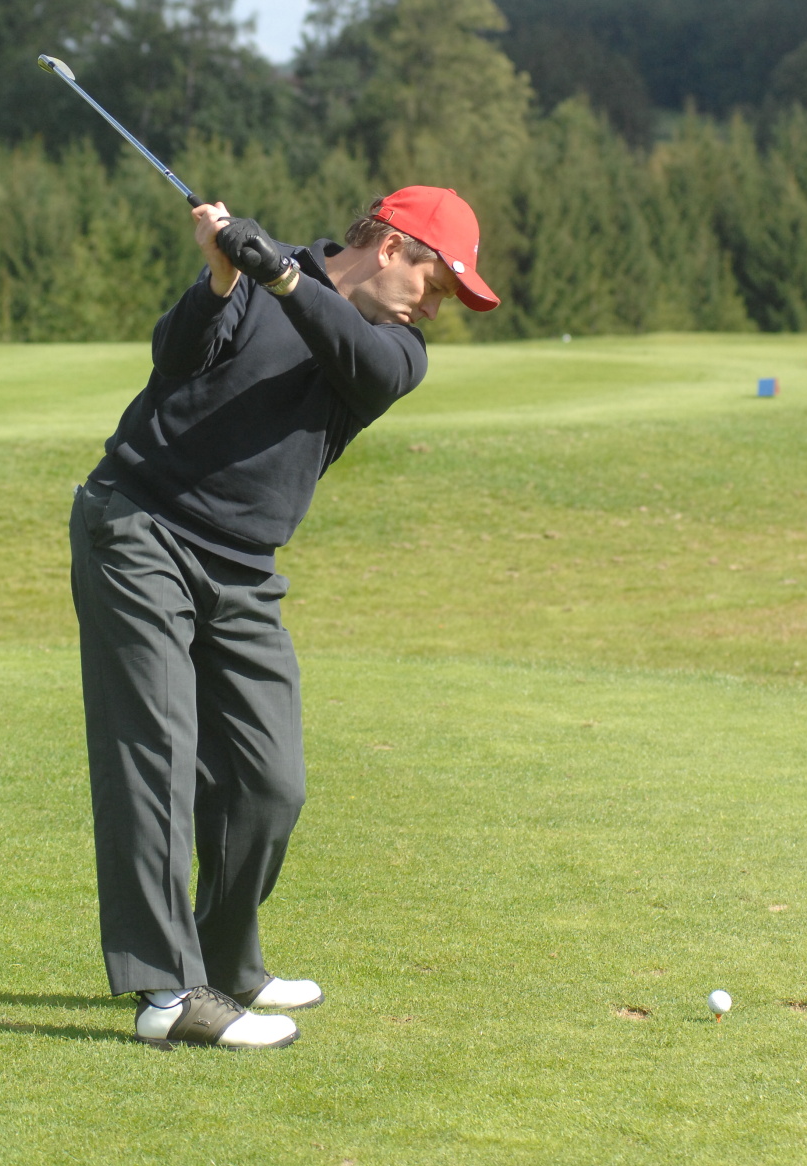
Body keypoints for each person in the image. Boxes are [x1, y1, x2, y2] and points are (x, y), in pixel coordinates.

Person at [69, 185, 500, 1050]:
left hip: (244, 568)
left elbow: (357, 360)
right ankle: (167, 994)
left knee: (270, 782)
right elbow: (174, 360)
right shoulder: (257, 278)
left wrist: (281, 278)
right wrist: (220, 278)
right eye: (435, 282)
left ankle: (228, 961)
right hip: (140, 528)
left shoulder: (395, 350)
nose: (434, 306)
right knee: (155, 756)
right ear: (391, 246)